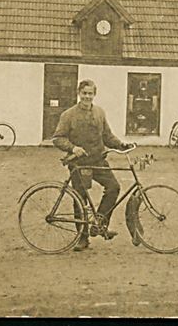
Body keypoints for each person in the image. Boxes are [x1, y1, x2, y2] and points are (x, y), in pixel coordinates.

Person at [52, 79, 134, 251]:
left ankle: (100, 223)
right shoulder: (68, 115)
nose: (87, 97)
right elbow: (58, 138)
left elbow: (107, 136)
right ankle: (82, 239)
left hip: (98, 160)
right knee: (80, 199)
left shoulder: (99, 113)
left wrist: (120, 145)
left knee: (113, 187)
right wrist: (73, 148)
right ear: (79, 94)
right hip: (79, 163)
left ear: (94, 94)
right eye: (84, 93)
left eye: (90, 93)